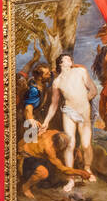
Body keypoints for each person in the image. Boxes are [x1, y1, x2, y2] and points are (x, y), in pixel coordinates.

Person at [41, 52, 100, 191]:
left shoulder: (80, 71)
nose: (70, 60)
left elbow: (93, 90)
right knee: (70, 144)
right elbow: (54, 105)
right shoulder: (57, 82)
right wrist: (46, 122)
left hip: (83, 111)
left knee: (85, 145)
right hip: (68, 112)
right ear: (61, 63)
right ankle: (71, 178)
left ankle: (87, 169)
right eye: (66, 59)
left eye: (70, 59)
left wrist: (83, 103)